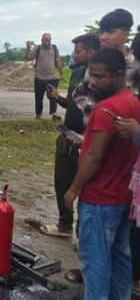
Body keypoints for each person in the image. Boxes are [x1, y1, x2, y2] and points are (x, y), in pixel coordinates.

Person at [64, 48, 140, 300]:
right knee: (120, 259)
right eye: (90, 76)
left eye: (99, 77)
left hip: (99, 200)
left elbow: (95, 156)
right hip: (121, 198)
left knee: (95, 264)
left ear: (119, 75)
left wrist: (74, 188)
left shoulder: (107, 108)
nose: (92, 82)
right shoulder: (132, 102)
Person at [40, 33, 99, 239]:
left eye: (78, 51)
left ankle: (83, 232)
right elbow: (71, 103)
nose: (74, 55)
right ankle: (64, 224)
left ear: (91, 52)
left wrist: (86, 137)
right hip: (67, 137)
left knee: (86, 189)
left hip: (87, 141)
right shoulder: (77, 73)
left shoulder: (101, 79)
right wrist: (57, 97)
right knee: (61, 182)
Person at [25, 33, 64, 119]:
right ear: (41, 40)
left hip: (52, 77)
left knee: (53, 96)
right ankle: (39, 114)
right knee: (39, 97)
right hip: (39, 78)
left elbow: (58, 61)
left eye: (48, 40)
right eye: (45, 40)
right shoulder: (38, 48)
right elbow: (27, 57)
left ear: (51, 40)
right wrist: (28, 48)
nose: (46, 42)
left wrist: (62, 74)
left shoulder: (54, 48)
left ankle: (53, 114)